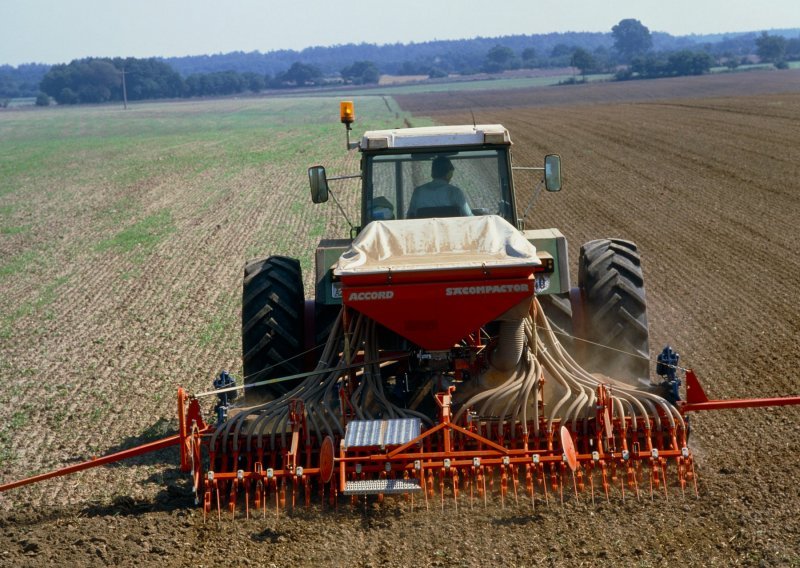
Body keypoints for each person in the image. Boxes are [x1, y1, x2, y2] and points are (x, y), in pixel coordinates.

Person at [407, 156, 472, 218]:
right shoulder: (455, 192)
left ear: (432, 173)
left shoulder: (418, 192)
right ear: (449, 174)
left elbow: (410, 216)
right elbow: (469, 217)